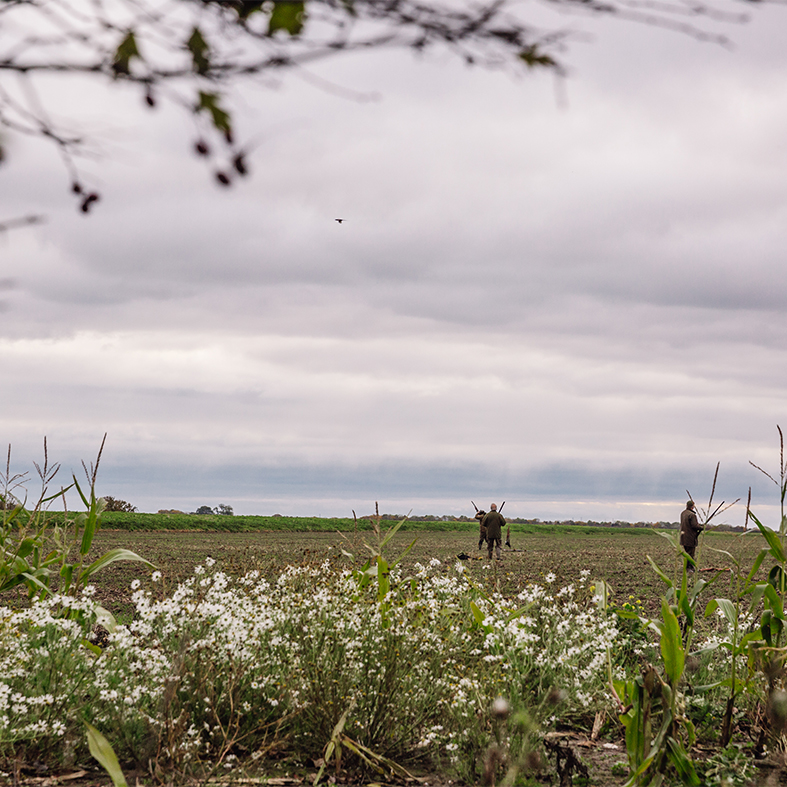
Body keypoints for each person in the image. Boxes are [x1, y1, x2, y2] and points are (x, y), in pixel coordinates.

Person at [680, 500, 703, 572]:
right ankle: (688, 568)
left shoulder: (683, 513)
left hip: (683, 537)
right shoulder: (692, 515)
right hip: (690, 537)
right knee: (690, 554)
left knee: (687, 552)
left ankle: (690, 567)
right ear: (693, 506)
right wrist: (702, 527)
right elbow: (695, 526)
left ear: (686, 505)